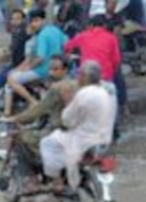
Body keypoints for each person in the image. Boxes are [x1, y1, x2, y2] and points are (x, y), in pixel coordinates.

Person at [39, 60, 116, 191]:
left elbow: (67, 120)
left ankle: (57, 181)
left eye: (79, 74)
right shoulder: (108, 91)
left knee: (47, 143)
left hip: (85, 140)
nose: (77, 77)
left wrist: (68, 102)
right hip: (105, 138)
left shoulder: (83, 94)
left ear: (84, 77)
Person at [5, 54, 76, 184]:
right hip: (77, 132)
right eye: (50, 68)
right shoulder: (77, 85)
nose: (51, 72)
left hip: (59, 131)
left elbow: (39, 109)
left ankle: (32, 179)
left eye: (56, 69)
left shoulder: (57, 88)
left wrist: (18, 118)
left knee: (22, 137)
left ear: (65, 70)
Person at [65, 15, 124, 131]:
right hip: (105, 76)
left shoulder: (83, 36)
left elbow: (67, 47)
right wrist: (112, 72)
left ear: (91, 25)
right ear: (105, 26)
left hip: (87, 78)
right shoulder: (111, 38)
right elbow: (116, 60)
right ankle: (115, 128)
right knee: (112, 103)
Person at [5, 8, 66, 117]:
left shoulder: (42, 36)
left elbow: (40, 57)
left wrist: (28, 67)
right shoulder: (55, 30)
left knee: (11, 80)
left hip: (42, 70)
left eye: (36, 21)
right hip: (56, 69)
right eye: (32, 21)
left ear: (42, 20)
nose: (34, 24)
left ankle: (32, 102)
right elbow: (66, 44)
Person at [0, 7, 28, 121]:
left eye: (18, 19)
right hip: (21, 64)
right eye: (13, 19)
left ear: (23, 20)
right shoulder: (22, 32)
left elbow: (11, 51)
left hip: (18, 66)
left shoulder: (19, 33)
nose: (15, 21)